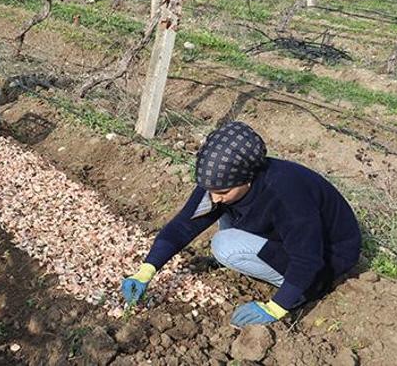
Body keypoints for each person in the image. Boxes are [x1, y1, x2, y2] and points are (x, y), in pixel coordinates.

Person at [121, 121, 361, 327]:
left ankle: (306, 290)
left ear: (248, 178)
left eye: (223, 191)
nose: (214, 197)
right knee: (221, 210)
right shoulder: (220, 180)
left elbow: (308, 259)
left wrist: (277, 307)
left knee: (224, 245)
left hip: (327, 258)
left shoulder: (285, 193)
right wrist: (146, 270)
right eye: (211, 190)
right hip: (285, 236)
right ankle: (260, 261)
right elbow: (184, 225)